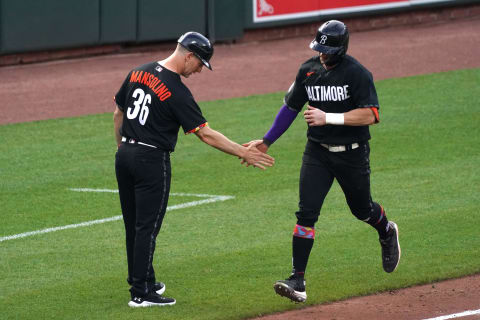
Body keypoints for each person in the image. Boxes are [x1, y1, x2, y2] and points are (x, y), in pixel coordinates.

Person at [113, 31, 274, 308]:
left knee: (134, 224)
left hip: (125, 155)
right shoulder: (176, 90)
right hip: (151, 161)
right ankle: (141, 294)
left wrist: (122, 150)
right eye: (200, 63)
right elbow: (206, 134)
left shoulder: (138, 71)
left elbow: (118, 113)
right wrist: (242, 150)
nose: (199, 70)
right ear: (188, 55)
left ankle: (142, 279)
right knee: (147, 228)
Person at [246, 20, 400, 303]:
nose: (321, 55)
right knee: (306, 213)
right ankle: (298, 280)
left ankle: (386, 230)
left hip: (352, 154)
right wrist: (266, 141)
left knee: (361, 209)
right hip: (316, 152)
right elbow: (290, 107)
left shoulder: (357, 74)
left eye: (326, 51)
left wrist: (329, 117)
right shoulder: (308, 70)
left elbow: (371, 115)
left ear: (341, 49)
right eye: (319, 49)